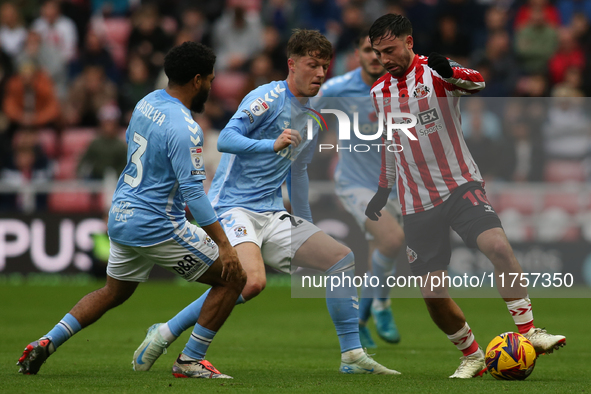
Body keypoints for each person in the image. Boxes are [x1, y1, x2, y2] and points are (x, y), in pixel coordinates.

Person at [131, 29, 400, 376]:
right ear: (292, 64)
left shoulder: (315, 115)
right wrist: (270, 144)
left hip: (272, 211)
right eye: (312, 65)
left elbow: (298, 172)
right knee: (251, 281)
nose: (320, 73)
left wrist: (305, 224)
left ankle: (352, 357)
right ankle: (174, 339)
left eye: (324, 67)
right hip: (233, 206)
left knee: (341, 259)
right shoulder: (267, 97)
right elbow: (227, 138)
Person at [17, 42, 247, 379]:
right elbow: (194, 196)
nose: (211, 87)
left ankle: (45, 341)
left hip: (122, 215)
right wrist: (225, 246)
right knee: (234, 278)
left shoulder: (146, 102)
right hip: (157, 224)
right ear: (197, 80)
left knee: (113, 291)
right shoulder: (186, 128)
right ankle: (190, 360)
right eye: (210, 80)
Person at [365, 14, 566, 379]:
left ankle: (530, 332)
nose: (385, 59)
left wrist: (452, 73)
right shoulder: (379, 92)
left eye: (391, 50)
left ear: (409, 43)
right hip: (416, 202)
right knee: (432, 293)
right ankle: (472, 355)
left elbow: (478, 83)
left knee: (499, 248)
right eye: (379, 53)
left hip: (460, 185)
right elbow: (389, 143)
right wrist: (383, 188)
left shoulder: (435, 72)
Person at [318, 29, 404, 349]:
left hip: (397, 186)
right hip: (354, 183)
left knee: (384, 252)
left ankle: (373, 309)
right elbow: (304, 116)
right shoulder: (338, 89)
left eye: (381, 51)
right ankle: (371, 311)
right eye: (368, 50)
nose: (375, 56)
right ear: (357, 54)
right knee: (392, 239)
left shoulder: (402, 86)